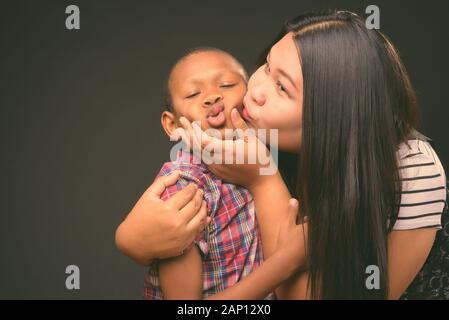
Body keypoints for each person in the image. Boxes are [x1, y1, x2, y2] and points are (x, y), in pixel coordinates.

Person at [116, 10, 447, 299]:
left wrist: (264, 180)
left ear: (333, 116)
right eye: (267, 65)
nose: (255, 90)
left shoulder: (412, 168)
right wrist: (129, 241)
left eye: (282, 88)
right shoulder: (247, 136)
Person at [143, 47, 305, 299]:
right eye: (194, 93)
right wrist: (285, 262)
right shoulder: (184, 188)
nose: (211, 97)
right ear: (172, 124)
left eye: (227, 85)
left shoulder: (274, 153)